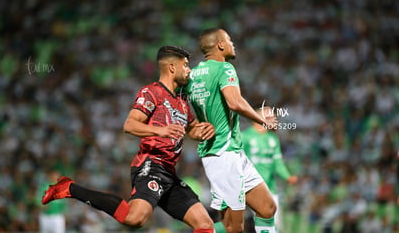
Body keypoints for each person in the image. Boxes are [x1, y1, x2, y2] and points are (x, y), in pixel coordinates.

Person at [41, 45, 216, 233]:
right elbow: (130, 125)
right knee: (135, 219)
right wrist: (161, 131)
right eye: (186, 65)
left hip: (169, 173)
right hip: (151, 166)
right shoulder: (152, 93)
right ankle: (69, 188)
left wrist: (204, 130)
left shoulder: (181, 102)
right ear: (172, 67)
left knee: (205, 224)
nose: (189, 71)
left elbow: (192, 130)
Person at [186, 27, 278, 233]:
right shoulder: (224, 68)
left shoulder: (193, 75)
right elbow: (234, 102)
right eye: (229, 40)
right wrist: (261, 120)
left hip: (231, 153)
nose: (232, 43)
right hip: (223, 154)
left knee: (267, 208)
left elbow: (179, 109)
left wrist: (191, 128)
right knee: (233, 228)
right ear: (220, 44)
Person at [242, 107, 298, 232]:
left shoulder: (273, 139)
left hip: (269, 188)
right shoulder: (245, 136)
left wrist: (287, 176)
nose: (273, 119)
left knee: (273, 224)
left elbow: (278, 163)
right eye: (269, 116)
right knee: (237, 224)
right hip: (248, 187)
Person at [38, 169, 68, 233]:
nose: (55, 176)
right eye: (54, 175)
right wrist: (42, 205)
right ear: (50, 176)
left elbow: (65, 203)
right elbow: (38, 199)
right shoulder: (44, 187)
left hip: (58, 216)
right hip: (45, 216)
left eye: (57, 175)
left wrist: (65, 213)